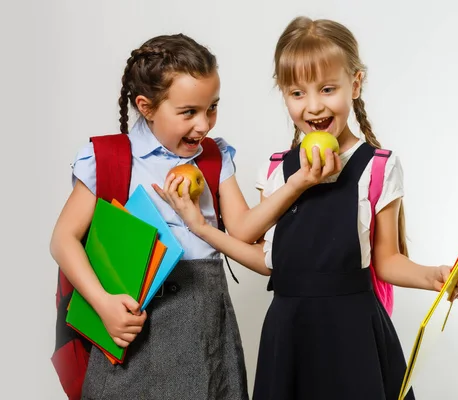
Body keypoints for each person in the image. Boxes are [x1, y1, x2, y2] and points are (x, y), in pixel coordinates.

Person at [156, 17, 458, 400]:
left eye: (327, 89)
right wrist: (202, 227)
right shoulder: (277, 170)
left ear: (355, 85)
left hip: (355, 333)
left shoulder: (378, 166)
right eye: (296, 93)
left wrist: (435, 276)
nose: (313, 106)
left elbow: (386, 261)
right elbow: (269, 260)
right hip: (290, 333)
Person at [49, 32, 340, 400]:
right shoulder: (109, 157)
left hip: (205, 333)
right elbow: (63, 240)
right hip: (130, 333)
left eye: (212, 108)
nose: (204, 125)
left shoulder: (215, 158)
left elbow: (245, 230)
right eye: (189, 112)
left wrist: (297, 184)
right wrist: (103, 304)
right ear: (146, 106)